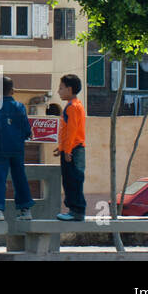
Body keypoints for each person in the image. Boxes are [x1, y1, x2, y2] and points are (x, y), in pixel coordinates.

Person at [0, 76, 34, 220]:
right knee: (19, 177)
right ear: (13, 90)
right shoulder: (20, 107)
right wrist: (25, 136)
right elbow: (26, 129)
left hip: (0, 149)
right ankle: (25, 210)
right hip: (18, 149)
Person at [54, 73, 87, 221]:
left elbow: (72, 130)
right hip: (72, 148)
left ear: (70, 89)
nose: (58, 91)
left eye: (61, 88)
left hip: (73, 150)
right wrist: (61, 147)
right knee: (71, 179)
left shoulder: (72, 107)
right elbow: (67, 131)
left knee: (72, 179)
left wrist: (67, 150)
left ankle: (76, 211)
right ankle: (74, 209)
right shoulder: (75, 105)